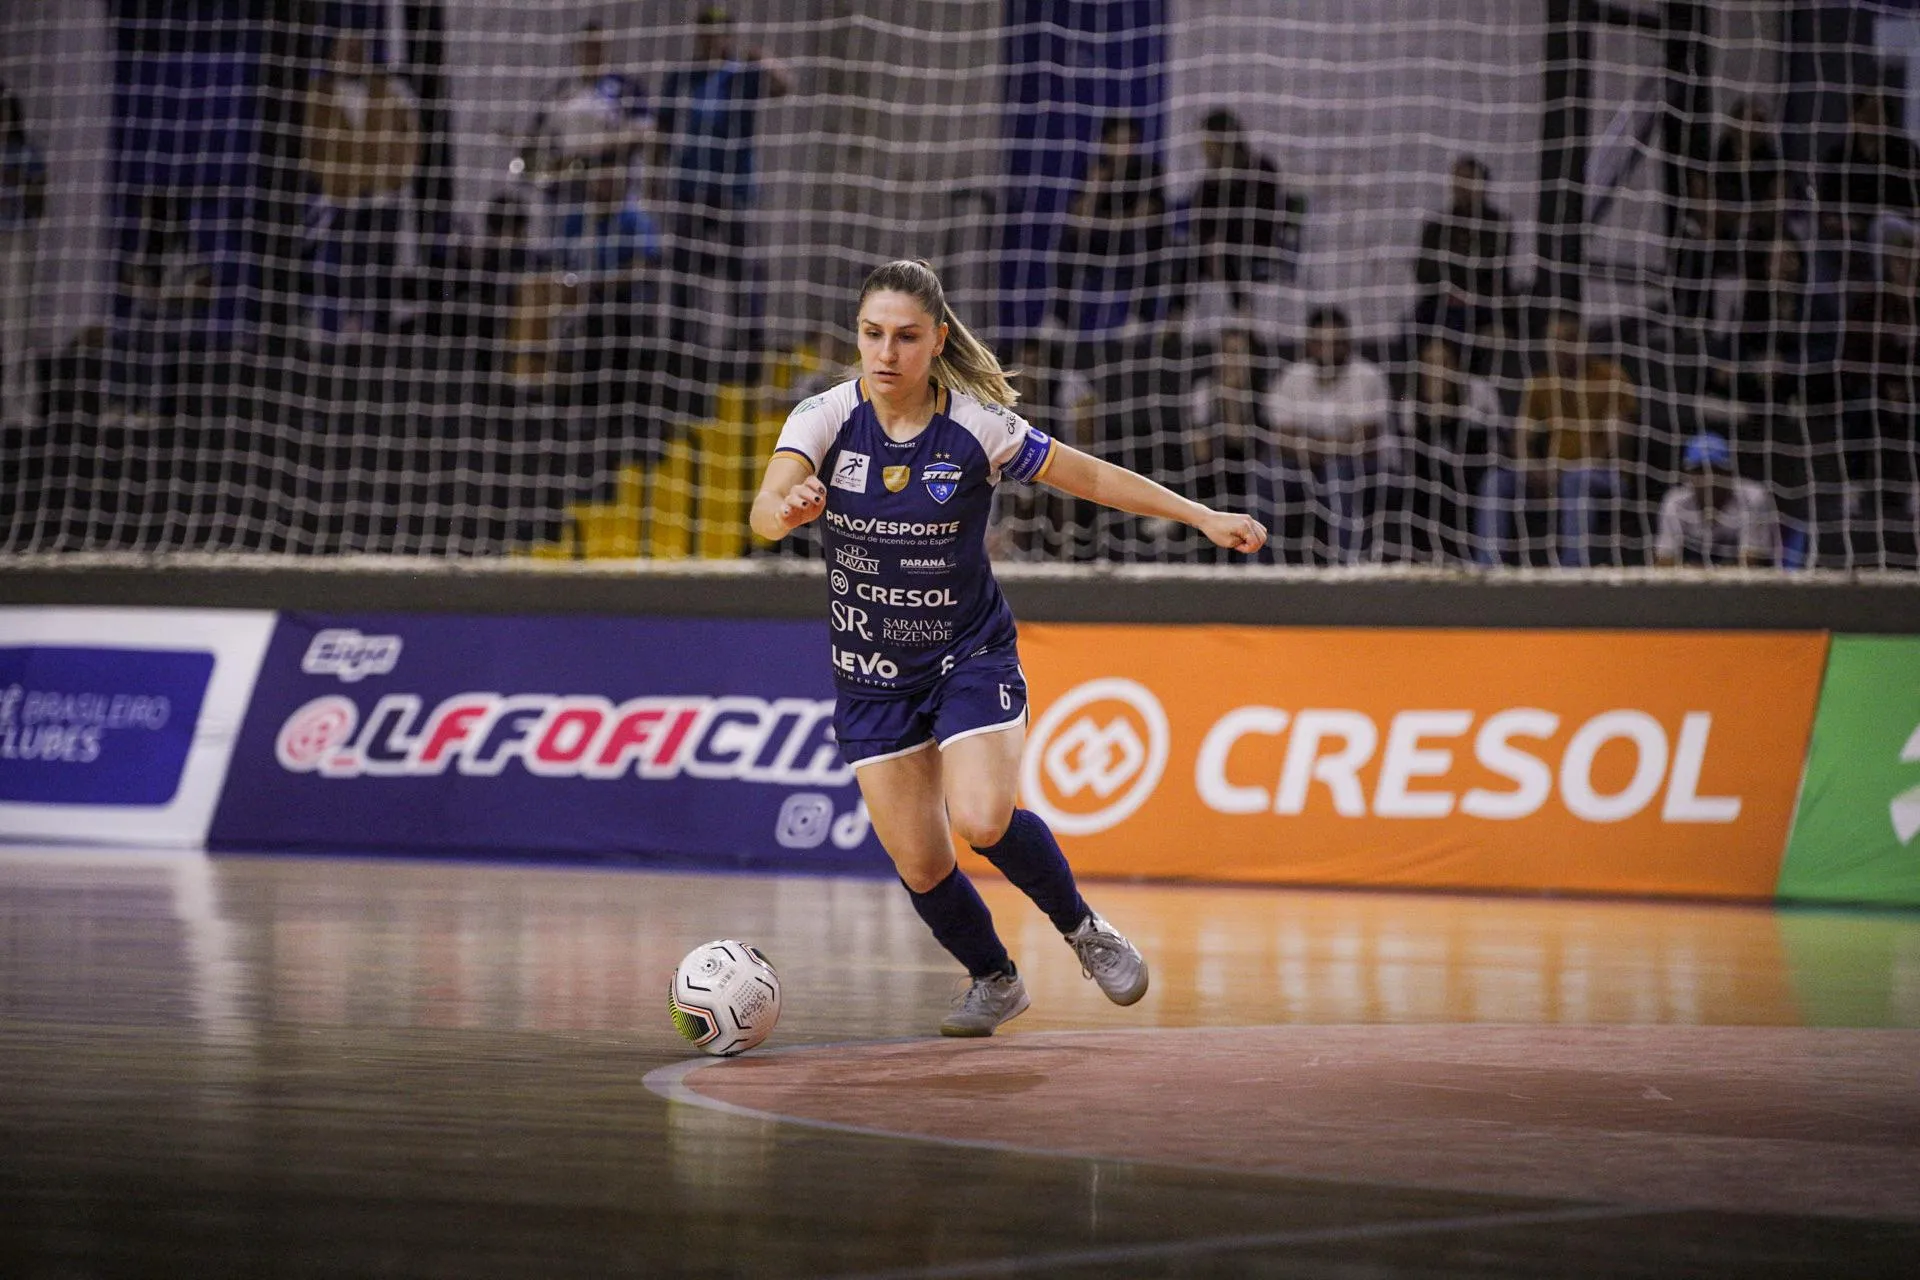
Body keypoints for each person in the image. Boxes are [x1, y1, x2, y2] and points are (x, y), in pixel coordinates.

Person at [749, 259, 1265, 1036]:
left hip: (967, 655)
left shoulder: (976, 426)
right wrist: (786, 508)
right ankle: (994, 980)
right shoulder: (823, 418)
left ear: (937, 340)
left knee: (983, 818)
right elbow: (763, 509)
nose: (886, 352)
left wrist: (1201, 517)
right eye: (872, 334)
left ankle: (1085, 929)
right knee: (922, 864)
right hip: (870, 675)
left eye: (905, 337)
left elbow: (1088, 477)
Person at [655, 6, 792, 382]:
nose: (711, 38)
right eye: (705, 31)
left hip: (734, 188)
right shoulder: (682, 77)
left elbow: (783, 85)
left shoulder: (742, 74)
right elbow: (662, 128)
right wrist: (656, 178)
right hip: (690, 187)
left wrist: (763, 58)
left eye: (718, 31)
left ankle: (749, 347)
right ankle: (682, 348)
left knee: (743, 269)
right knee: (685, 270)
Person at [1475, 311, 1638, 567]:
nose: (1558, 349)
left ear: (1581, 342)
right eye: (1553, 341)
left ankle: (1571, 571)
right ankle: (1488, 567)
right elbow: (1521, 438)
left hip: (1605, 475)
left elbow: (1617, 442)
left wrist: (1569, 469)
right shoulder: (1542, 382)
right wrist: (1533, 468)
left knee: (1575, 480)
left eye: (1566, 340)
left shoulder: (1610, 376)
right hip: (1553, 475)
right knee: (1495, 481)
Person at [303, 32, 421, 336]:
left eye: (358, 49)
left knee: (383, 267)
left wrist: (397, 176)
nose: (352, 56)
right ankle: (344, 328)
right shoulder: (316, 96)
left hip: (384, 198)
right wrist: (335, 182)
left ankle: (382, 331)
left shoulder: (387, 92)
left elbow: (411, 136)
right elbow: (309, 148)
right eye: (346, 49)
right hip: (342, 201)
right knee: (345, 267)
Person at [1262, 304, 1391, 564]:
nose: (1329, 349)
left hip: (1365, 468)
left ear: (1348, 342)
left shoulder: (1367, 376)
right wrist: (1329, 446)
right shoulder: (1292, 376)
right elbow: (1281, 438)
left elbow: (1363, 441)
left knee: (1337, 473)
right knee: (1267, 472)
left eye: (1336, 342)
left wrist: (1311, 445)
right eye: (1321, 342)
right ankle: (1257, 566)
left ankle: (1346, 567)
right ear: (1309, 344)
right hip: (1303, 466)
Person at [1052, 115, 1171, 337]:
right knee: (1067, 244)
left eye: (1129, 142)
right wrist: (1095, 188)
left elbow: (1143, 216)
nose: (1123, 149)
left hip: (1134, 239)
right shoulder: (1095, 170)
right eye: (1117, 142)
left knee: (1139, 241)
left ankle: (1140, 316)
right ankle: (1060, 319)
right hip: (1100, 240)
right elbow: (1078, 221)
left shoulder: (1149, 171)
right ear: (1106, 142)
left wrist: (1103, 221)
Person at [1185, 108, 1304, 317]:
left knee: (1226, 248)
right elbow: (1201, 221)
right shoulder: (1208, 183)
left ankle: (1243, 310)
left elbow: (1266, 213)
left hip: (1259, 240)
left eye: (1207, 140)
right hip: (1218, 249)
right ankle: (1175, 318)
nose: (1204, 147)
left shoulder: (1261, 168)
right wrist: (1210, 241)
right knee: (1186, 258)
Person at [1400, 336, 1504, 564]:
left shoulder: (1479, 392)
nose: (1438, 370)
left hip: (1477, 471)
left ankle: (1485, 563)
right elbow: (1413, 459)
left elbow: (1492, 445)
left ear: (1457, 364)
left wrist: (1450, 413)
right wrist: (1433, 416)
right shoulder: (1411, 400)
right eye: (1430, 363)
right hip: (1431, 478)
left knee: (1487, 483)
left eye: (1444, 362)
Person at [1409, 156, 1515, 367]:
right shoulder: (1437, 226)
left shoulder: (1497, 225)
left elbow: (1489, 271)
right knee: (1409, 330)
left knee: (1455, 328)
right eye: (1458, 180)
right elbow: (1423, 272)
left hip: (1481, 304)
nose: (1462, 187)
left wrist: (1448, 266)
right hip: (1439, 301)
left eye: (1468, 180)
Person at [1654, 431, 1780, 568]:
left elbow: (1751, 563)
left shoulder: (1752, 497)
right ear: (1688, 474)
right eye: (1700, 471)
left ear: (1729, 473)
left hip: (1743, 581)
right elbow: (1664, 563)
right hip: (1698, 576)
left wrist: (1695, 571)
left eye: (1716, 470)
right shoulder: (1675, 502)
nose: (1708, 479)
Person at [1, 84, 47, 424]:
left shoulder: (25, 153)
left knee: (17, 323)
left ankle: (22, 405)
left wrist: (22, 183)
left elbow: (38, 205)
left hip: (16, 240)